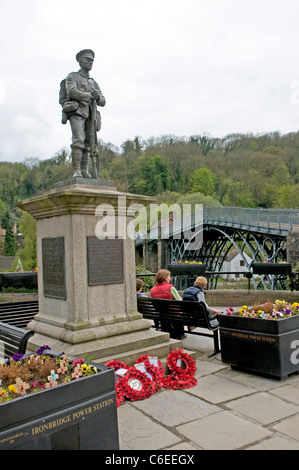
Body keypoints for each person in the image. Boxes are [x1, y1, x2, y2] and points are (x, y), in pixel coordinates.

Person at [62, 49, 106, 178]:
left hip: (91, 115)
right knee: (78, 141)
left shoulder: (93, 82)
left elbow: (103, 101)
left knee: (89, 143)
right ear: (80, 61)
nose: (90, 62)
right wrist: (89, 95)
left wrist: (98, 97)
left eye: (92, 60)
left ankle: (85, 170)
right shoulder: (72, 76)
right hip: (77, 111)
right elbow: (72, 92)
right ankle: (77, 171)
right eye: (87, 59)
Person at [150, 269, 186, 339]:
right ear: (165, 277)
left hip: (162, 314)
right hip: (173, 313)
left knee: (166, 315)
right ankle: (181, 334)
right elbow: (179, 300)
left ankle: (169, 332)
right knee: (181, 313)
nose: (170, 278)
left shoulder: (153, 290)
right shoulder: (170, 288)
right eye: (169, 276)